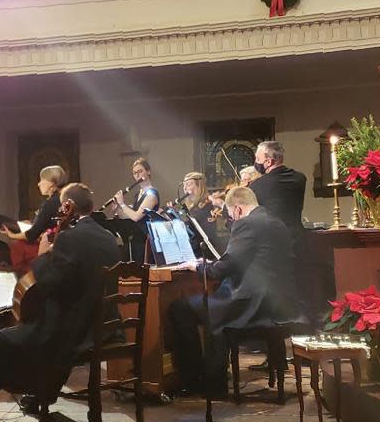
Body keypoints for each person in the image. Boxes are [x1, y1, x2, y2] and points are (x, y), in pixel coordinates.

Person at [0, 182, 120, 422]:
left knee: (0, 339)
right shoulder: (109, 237)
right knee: (28, 331)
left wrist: (42, 254)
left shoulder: (70, 238)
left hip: (75, 331)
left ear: (68, 206)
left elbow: (49, 284)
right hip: (103, 326)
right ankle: (38, 394)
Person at [168, 186, 306, 397]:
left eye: (231, 214)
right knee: (205, 306)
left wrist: (196, 266)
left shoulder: (247, 223)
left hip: (253, 302)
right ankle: (210, 375)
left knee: (181, 307)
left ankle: (198, 381)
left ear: (238, 210)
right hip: (281, 301)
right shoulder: (276, 222)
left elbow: (222, 269)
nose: (231, 219)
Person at [0, 165, 66, 277]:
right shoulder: (63, 199)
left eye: (41, 180)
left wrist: (12, 235)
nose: (38, 184)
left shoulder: (50, 203)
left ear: (51, 183)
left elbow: (32, 234)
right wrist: (32, 224)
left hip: (51, 253)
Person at [110, 157, 159, 262]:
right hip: (136, 238)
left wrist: (122, 203)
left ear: (148, 171)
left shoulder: (152, 194)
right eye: (134, 173)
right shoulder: (138, 194)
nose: (137, 175)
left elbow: (136, 217)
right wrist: (118, 209)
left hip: (146, 240)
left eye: (140, 171)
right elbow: (129, 216)